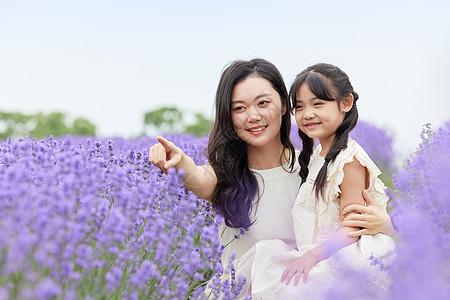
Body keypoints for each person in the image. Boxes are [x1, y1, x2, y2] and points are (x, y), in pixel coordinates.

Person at [149, 59, 394, 298]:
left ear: (284, 105)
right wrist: (178, 161)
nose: (252, 116)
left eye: (263, 103)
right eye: (239, 108)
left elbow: (357, 231)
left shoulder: (316, 167)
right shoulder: (227, 175)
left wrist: (384, 225)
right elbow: (198, 178)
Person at [248, 63, 396, 299]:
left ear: (346, 103)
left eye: (318, 104)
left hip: (344, 258)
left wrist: (312, 256)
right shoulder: (319, 156)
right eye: (299, 107)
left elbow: (353, 227)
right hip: (323, 253)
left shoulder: (349, 161)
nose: (307, 114)